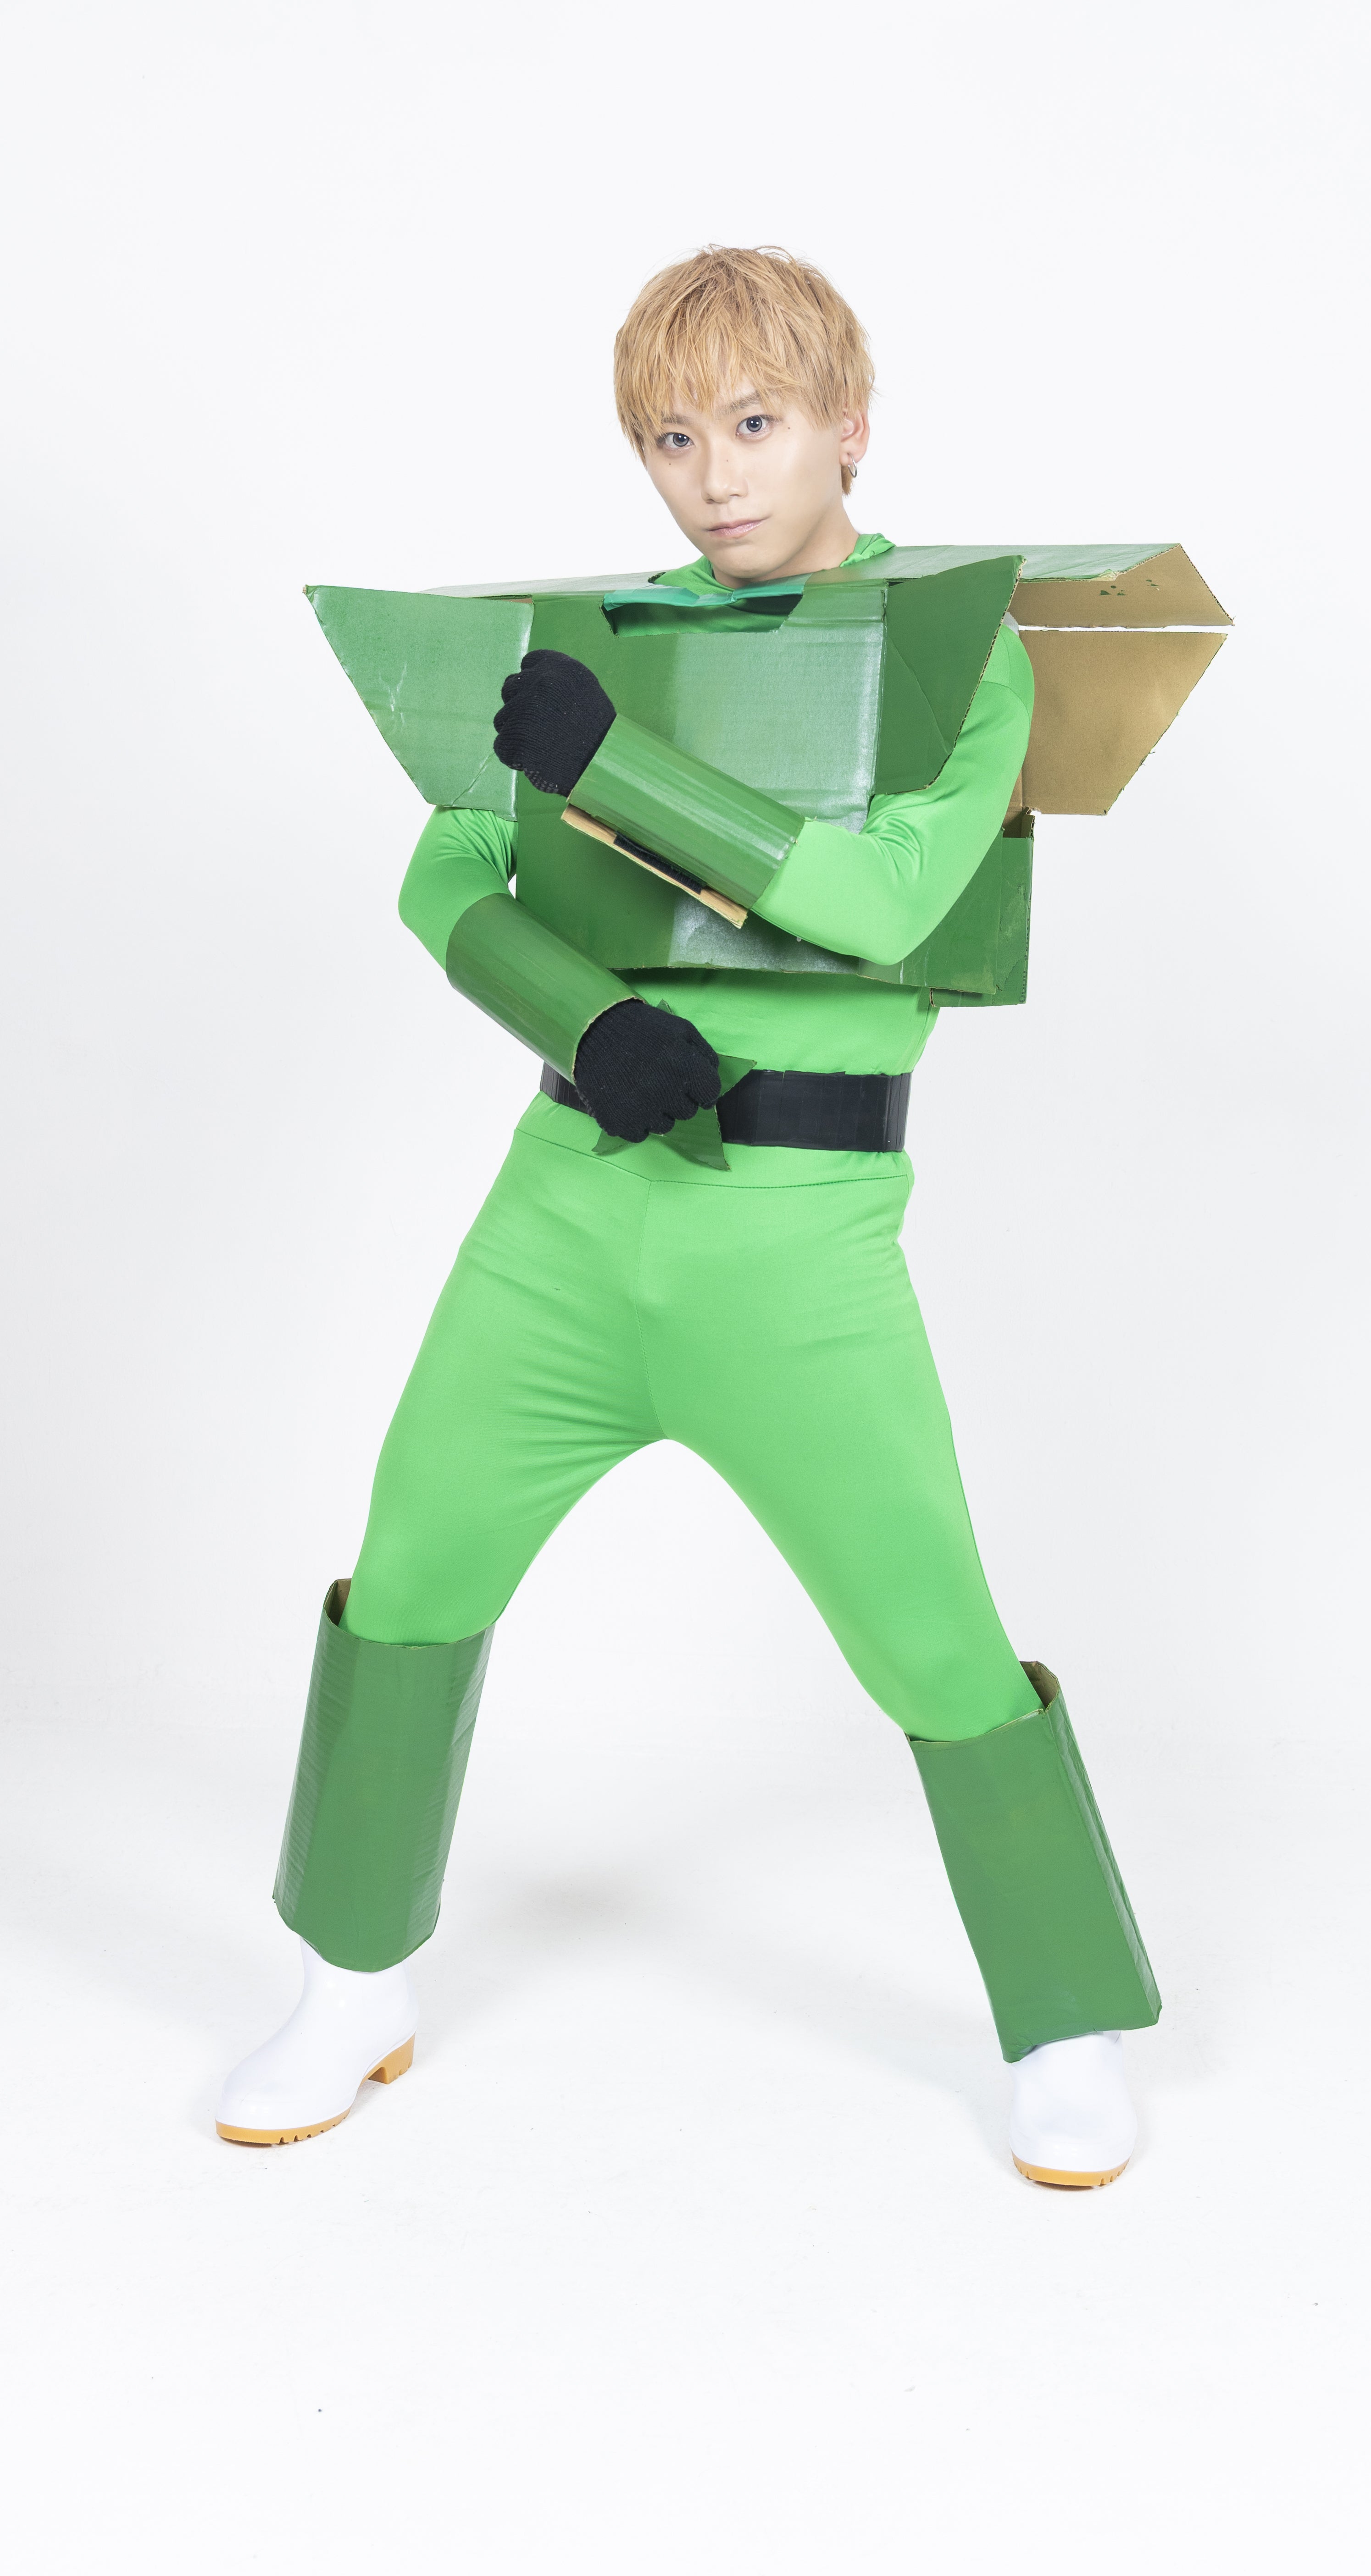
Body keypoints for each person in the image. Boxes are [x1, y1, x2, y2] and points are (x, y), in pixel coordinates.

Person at [217, 247, 1160, 2183]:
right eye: (670, 437)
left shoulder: (957, 652)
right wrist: (581, 1018)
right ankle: (349, 1978)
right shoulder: (597, 642)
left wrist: (610, 770)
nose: (714, 476)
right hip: (565, 1211)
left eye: (753, 422)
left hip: (798, 1246)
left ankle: (1066, 2021)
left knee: (933, 1635)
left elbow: (884, 902)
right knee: (410, 1574)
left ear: (847, 427)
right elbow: (442, 875)